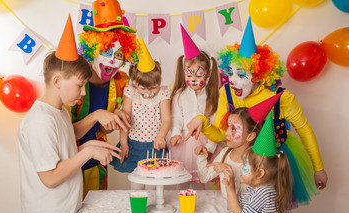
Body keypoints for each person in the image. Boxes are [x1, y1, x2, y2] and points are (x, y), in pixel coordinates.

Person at [186, 18, 327, 207]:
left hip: (270, 164)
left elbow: (305, 131)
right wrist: (201, 120)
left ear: (260, 75)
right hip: (239, 164)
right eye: (230, 72)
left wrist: (318, 168)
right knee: (237, 210)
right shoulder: (226, 92)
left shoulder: (282, 98)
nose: (233, 80)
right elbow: (221, 134)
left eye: (242, 74)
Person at [17, 16, 120, 213]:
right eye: (80, 85)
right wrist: (89, 152)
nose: (83, 92)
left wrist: (90, 143)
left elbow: (65, 138)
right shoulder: (40, 121)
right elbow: (51, 177)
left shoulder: (59, 111)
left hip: (66, 212)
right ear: (57, 82)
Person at [69, 0, 138, 197]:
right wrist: (98, 115)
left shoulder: (119, 81)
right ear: (92, 50)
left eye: (118, 54)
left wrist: (115, 117)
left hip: (98, 160)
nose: (113, 60)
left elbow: (104, 128)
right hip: (69, 159)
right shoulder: (73, 81)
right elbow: (65, 134)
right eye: (106, 51)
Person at [110, 36, 171, 189]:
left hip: (154, 146)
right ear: (135, 83)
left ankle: (152, 210)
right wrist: (124, 143)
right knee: (136, 184)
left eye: (153, 87)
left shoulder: (163, 94)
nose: (149, 92)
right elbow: (125, 120)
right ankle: (138, 211)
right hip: (134, 145)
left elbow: (167, 119)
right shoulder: (131, 93)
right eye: (144, 88)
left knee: (153, 185)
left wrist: (161, 136)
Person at [222, 110, 292, 213]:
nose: (241, 167)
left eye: (245, 166)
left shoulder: (263, 192)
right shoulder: (254, 187)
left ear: (260, 173)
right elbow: (233, 209)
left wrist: (230, 190)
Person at [197, 93, 282, 198]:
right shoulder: (225, 154)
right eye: (228, 127)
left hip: (247, 212)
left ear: (250, 136)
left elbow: (252, 197)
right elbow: (204, 177)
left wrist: (227, 170)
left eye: (233, 129)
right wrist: (202, 156)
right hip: (226, 208)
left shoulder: (257, 161)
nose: (226, 133)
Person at [168, 25, 220, 190]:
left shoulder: (214, 97)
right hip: (183, 144)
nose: (194, 79)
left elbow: (216, 124)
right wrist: (176, 133)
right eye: (189, 74)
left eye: (199, 74)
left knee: (200, 182)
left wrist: (209, 148)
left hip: (203, 143)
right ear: (183, 72)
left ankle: (198, 212)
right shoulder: (179, 95)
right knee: (181, 181)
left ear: (209, 72)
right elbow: (176, 117)